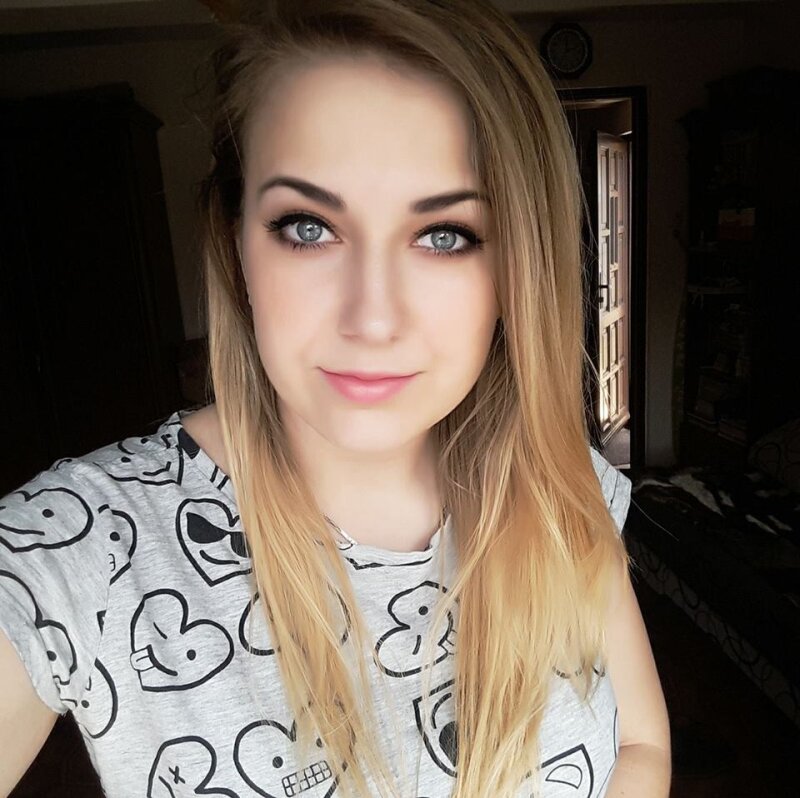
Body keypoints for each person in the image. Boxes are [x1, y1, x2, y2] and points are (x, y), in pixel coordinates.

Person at [0, 0, 671, 796]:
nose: (373, 319)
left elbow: (641, 745)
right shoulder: (77, 552)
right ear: (235, 239)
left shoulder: (559, 483)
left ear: (517, 267)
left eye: (445, 235)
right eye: (308, 227)